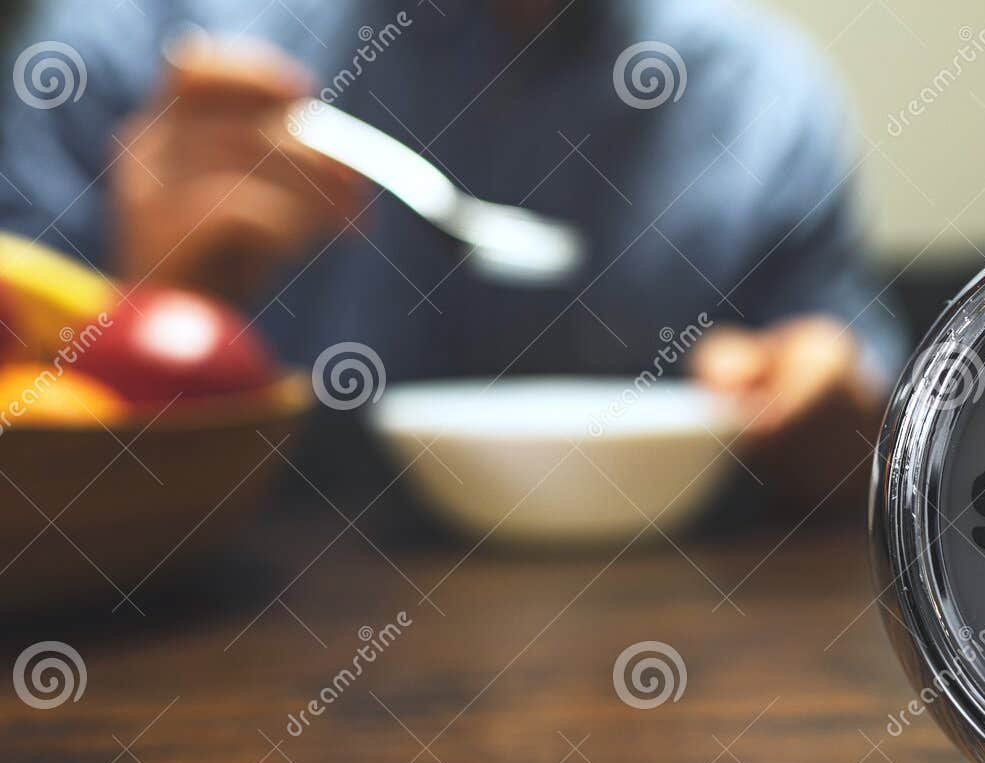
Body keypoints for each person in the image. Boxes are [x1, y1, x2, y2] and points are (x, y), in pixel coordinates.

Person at [0, 0, 903, 507]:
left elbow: (846, 404)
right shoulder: (123, 55)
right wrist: (143, 316)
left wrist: (817, 412)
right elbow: (34, 505)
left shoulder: (758, 97)